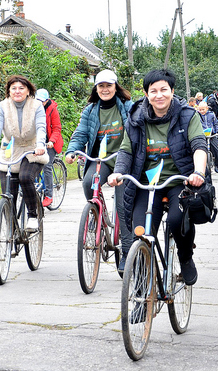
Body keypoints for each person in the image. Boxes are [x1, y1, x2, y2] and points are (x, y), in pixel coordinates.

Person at [107, 69, 208, 286]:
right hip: (146, 183)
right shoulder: (135, 118)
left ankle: (185, 257)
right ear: (146, 93)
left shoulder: (188, 115)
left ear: (172, 91)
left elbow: (199, 145)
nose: (159, 95)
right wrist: (118, 172)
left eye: (164, 90)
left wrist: (198, 172)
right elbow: (126, 150)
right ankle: (142, 294)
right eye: (153, 91)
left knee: (176, 220)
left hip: (179, 181)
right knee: (140, 233)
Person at [65, 69, 133, 273]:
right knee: (88, 183)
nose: (105, 89)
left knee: (123, 206)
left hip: (123, 160)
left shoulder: (128, 107)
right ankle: (97, 215)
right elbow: (81, 133)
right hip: (101, 159)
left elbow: (137, 131)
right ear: (96, 88)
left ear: (115, 87)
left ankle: (127, 252)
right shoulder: (91, 110)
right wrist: (72, 151)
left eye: (108, 85)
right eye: (101, 86)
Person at [0, 75, 48, 231]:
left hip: (33, 149)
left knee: (25, 177)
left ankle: (33, 216)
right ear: (8, 91)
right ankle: (12, 232)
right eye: (13, 88)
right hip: (10, 149)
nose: (17, 91)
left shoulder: (36, 106)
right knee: (9, 192)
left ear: (28, 91)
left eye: (21, 88)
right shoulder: (2, 106)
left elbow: (42, 128)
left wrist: (41, 145)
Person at [35, 88, 63, 207]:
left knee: (47, 166)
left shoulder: (53, 110)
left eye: (42, 101)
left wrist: (51, 141)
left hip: (51, 142)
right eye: (37, 100)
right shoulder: (33, 108)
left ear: (46, 101)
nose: (39, 103)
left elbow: (57, 128)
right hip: (38, 142)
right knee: (32, 164)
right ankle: (34, 190)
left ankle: (49, 195)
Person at [197, 101, 218, 173]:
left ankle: (217, 164)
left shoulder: (211, 115)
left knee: (217, 150)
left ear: (207, 108)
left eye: (203, 109)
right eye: (200, 110)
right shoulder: (197, 116)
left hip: (211, 135)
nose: (201, 111)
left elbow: (215, 124)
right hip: (202, 135)